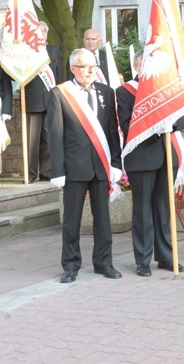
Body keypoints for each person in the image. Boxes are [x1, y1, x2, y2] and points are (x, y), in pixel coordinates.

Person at [48, 48, 123, 283]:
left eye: (94, 66)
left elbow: (112, 132)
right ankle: (70, 265)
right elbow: (56, 135)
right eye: (85, 67)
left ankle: (104, 262)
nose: (91, 71)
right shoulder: (60, 94)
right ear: (73, 68)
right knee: (72, 220)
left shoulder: (106, 92)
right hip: (73, 168)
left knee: (103, 219)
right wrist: (58, 171)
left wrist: (116, 164)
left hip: (100, 165)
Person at [116, 50, 184, 277]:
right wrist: (156, 127)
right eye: (145, 64)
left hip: (166, 157)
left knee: (164, 209)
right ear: (137, 67)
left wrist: (172, 124)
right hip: (141, 158)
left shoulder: (167, 90)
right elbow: (127, 125)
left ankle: (166, 257)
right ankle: (143, 260)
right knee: (142, 212)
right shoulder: (125, 92)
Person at [25, 22, 62, 183]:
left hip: (50, 100)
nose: (43, 34)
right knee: (32, 140)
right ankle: (31, 173)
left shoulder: (54, 51)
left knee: (48, 139)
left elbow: (59, 76)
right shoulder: (26, 52)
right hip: (32, 100)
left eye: (45, 31)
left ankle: (46, 172)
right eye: (39, 32)